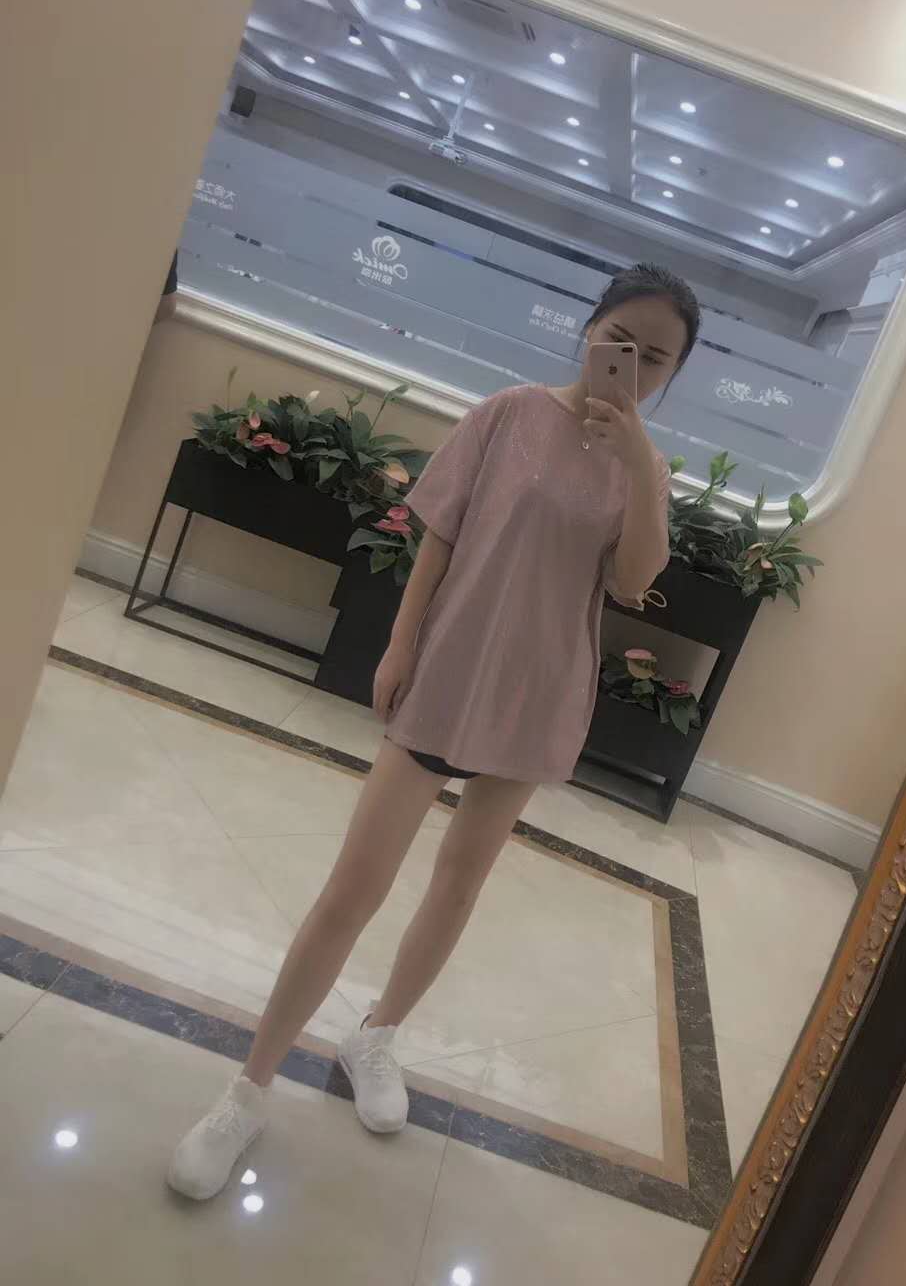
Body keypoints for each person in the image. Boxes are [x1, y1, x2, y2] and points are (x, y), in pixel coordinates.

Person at [167, 262, 701, 1200]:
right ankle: (247, 1090)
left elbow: (631, 581)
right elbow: (441, 536)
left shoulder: (643, 467)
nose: (633, 362)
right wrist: (401, 643)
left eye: (656, 358)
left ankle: (376, 1035)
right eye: (621, 339)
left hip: (540, 690)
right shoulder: (509, 414)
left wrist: (636, 463)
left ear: (673, 374)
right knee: (355, 887)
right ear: (590, 328)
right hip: (452, 670)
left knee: (458, 884)